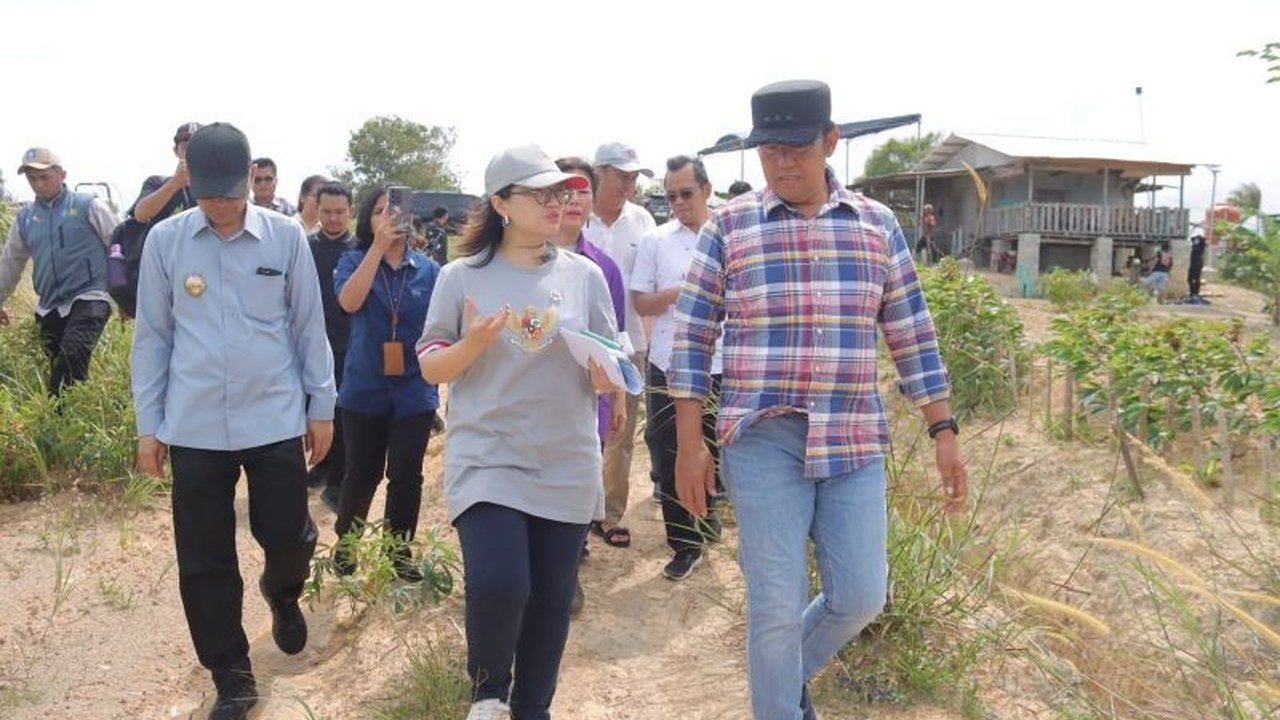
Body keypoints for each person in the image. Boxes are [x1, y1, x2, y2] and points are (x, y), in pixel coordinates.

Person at [670, 80, 967, 720]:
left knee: (861, 595)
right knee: (773, 605)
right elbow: (693, 336)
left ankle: (777, 681)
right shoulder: (729, 226)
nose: (781, 162)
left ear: (830, 142)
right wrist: (689, 445)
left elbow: (910, 330)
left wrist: (943, 428)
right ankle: (778, 704)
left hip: (853, 436)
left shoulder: (875, 225)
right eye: (768, 150)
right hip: (763, 438)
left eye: (796, 148)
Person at [130, 123, 335, 720]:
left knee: (289, 536)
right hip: (193, 426)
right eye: (208, 192)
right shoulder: (167, 242)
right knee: (204, 558)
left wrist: (321, 407)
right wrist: (150, 425)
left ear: (251, 180)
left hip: (272, 418)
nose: (220, 204)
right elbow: (153, 338)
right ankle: (232, 675)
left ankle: (283, 590)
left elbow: (307, 326)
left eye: (230, 191)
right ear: (189, 180)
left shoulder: (284, 237)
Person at [417, 144, 620, 720]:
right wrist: (474, 343)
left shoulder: (585, 277)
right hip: (489, 456)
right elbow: (431, 365)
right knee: (503, 582)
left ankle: (533, 709)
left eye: (562, 192)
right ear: (502, 203)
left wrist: (608, 377)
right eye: (541, 193)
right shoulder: (462, 277)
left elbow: (613, 361)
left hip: (566, 459)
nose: (558, 202)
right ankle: (486, 695)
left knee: (552, 600)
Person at [330, 184, 441, 578]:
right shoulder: (353, 260)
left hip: (414, 389)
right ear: (366, 220)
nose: (389, 218)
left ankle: (398, 553)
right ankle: (346, 544)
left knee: (407, 475)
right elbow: (349, 302)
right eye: (379, 211)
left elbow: (442, 327)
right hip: (364, 388)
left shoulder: (429, 270)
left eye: (395, 210)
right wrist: (376, 249)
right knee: (362, 472)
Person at [631, 155, 723, 581]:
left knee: (715, 449)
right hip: (667, 361)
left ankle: (708, 516)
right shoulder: (656, 241)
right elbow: (641, 302)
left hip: (723, 362)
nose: (679, 203)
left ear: (706, 189)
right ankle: (685, 543)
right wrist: (679, 293)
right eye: (671, 197)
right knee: (667, 450)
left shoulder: (729, 233)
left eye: (686, 193)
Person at [554, 155, 628, 613]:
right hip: (536, 400)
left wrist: (618, 395)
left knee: (581, 480)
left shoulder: (603, 269)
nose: (575, 199)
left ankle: (569, 565)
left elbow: (614, 340)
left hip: (589, 398)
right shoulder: (520, 262)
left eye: (583, 190)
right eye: (565, 190)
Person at [582, 141, 656, 545]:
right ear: (599, 173)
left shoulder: (642, 221)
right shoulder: (578, 218)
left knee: (619, 430)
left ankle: (609, 514)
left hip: (630, 341)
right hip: (580, 342)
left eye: (633, 177)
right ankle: (576, 509)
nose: (629, 184)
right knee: (579, 425)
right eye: (621, 176)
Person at [0, 147, 119, 396]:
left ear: (62, 174)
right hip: (49, 305)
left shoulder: (89, 206)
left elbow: (118, 247)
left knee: (73, 353)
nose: (38, 184)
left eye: (44, 177)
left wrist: (125, 293)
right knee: (61, 367)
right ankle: (76, 421)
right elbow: (11, 263)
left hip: (90, 295)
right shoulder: (25, 218)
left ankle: (55, 419)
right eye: (32, 179)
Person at [306, 182, 356, 511]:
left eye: (340, 212)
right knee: (315, 409)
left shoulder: (360, 250)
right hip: (311, 341)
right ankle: (322, 466)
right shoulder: (304, 246)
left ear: (350, 211)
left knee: (342, 414)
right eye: (327, 212)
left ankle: (340, 479)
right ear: (316, 210)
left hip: (349, 343)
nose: (333, 218)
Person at [131, 122, 202, 225]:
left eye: (199, 148)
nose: (192, 153)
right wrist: (175, 182)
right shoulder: (156, 183)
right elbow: (141, 215)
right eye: (186, 148)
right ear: (176, 151)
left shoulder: (219, 184)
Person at [1188, 234, 1206, 299]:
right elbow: (1192, 238)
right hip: (1193, 263)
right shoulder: (1195, 245)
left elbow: (1201, 240)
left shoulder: (1201, 246)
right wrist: (1196, 238)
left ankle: (1195, 293)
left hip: (1197, 264)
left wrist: (1198, 238)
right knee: (1190, 279)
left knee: (1196, 279)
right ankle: (1193, 292)